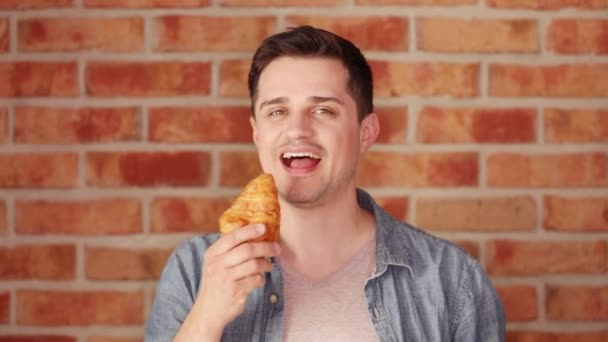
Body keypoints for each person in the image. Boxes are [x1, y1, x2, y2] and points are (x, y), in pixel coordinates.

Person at [145, 25, 505, 342]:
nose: (297, 129)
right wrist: (207, 318)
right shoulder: (195, 271)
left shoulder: (451, 280)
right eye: (277, 111)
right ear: (256, 133)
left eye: (323, 110)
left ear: (366, 132)